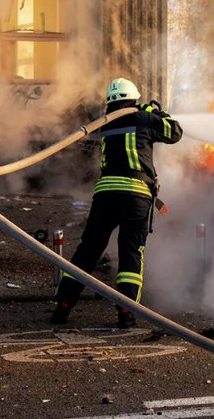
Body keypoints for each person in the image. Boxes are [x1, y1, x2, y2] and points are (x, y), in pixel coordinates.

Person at [50, 77, 183, 328]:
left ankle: (64, 304)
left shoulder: (105, 124)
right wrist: (154, 111)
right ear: (134, 98)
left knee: (88, 250)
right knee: (131, 252)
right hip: (135, 195)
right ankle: (126, 311)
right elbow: (175, 132)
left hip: (105, 195)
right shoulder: (143, 118)